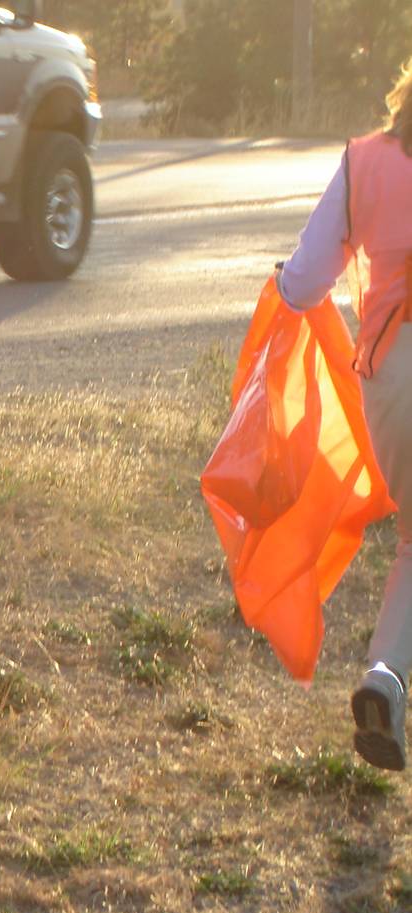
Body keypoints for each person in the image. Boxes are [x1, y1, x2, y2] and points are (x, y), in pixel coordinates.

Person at [279, 56, 412, 770]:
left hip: (389, 377)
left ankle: (384, 678)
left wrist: (280, 279)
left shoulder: (363, 163)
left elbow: (301, 286)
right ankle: (385, 675)